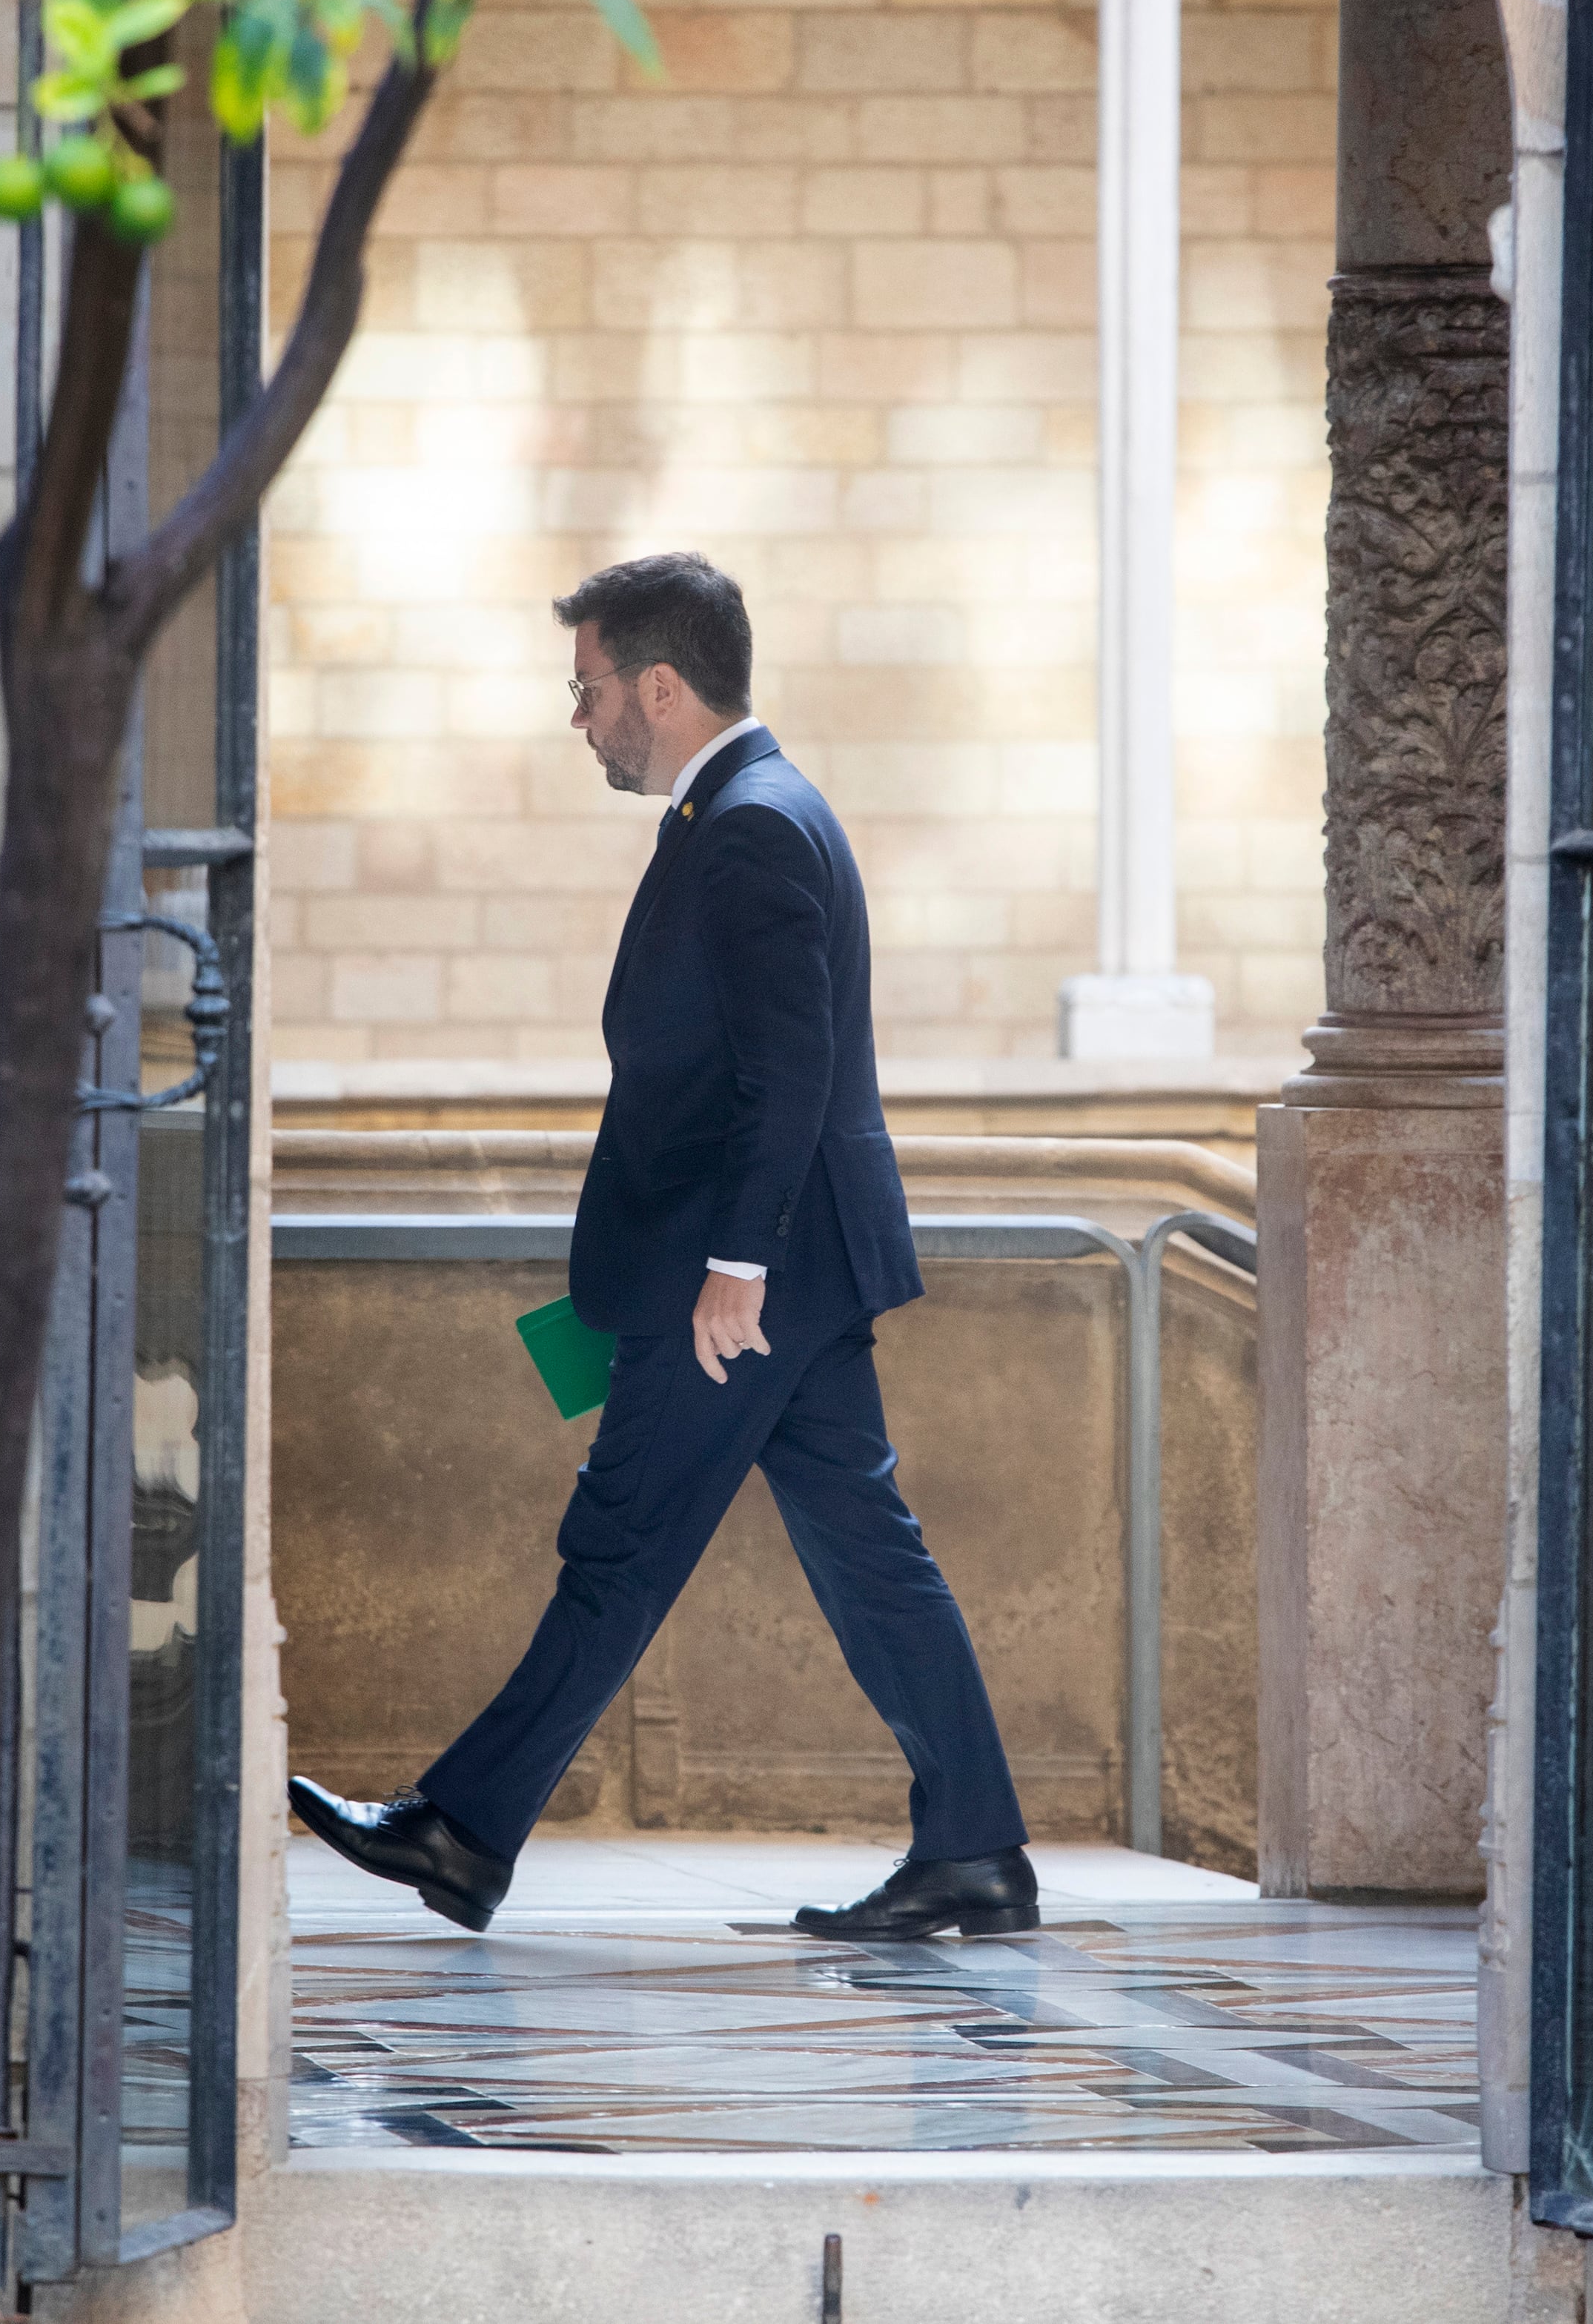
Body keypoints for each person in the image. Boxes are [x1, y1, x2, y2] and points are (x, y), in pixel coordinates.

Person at [287, 552, 1036, 1943]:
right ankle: (977, 1847)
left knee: (620, 1541)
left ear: (662, 686)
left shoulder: (749, 824)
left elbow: (790, 1071)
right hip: (772, 1274)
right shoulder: (746, 808)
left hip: (737, 1285)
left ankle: (461, 1832)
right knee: (868, 1552)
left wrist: (734, 1269)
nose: (578, 721)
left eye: (587, 694)